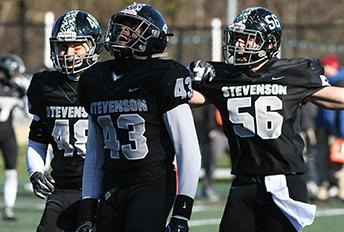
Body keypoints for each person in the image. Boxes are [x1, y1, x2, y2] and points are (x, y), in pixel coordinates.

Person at [189, 7, 344, 232]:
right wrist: (180, 77)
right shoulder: (224, 77)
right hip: (244, 181)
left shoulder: (292, 74)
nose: (238, 44)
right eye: (237, 38)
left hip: (283, 181)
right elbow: (186, 97)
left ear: (269, 43)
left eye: (246, 39)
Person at [75, 3, 201, 232]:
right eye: (121, 26)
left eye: (133, 27)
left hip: (151, 182)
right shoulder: (94, 79)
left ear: (153, 35)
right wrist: (88, 204)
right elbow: (95, 151)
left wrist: (183, 210)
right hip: (112, 184)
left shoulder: (164, 75)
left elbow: (188, 148)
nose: (123, 31)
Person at [25, 10, 102, 232]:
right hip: (63, 186)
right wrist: (36, 171)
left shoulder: (107, 82)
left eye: (77, 46)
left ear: (93, 46)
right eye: (63, 46)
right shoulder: (45, 86)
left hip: (103, 185)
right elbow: (37, 139)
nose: (68, 53)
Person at [315, 54, 344, 201]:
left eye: (326, 66)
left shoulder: (341, 81)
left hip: (338, 131)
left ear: (333, 67)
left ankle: (342, 190)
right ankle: (323, 189)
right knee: (322, 160)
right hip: (323, 129)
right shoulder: (321, 81)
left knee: (339, 161)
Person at [0, 54, 29, 220]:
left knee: (11, 171)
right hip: (6, 132)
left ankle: (8, 208)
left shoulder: (18, 90)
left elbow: (27, 113)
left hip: (7, 134)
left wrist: (24, 93)